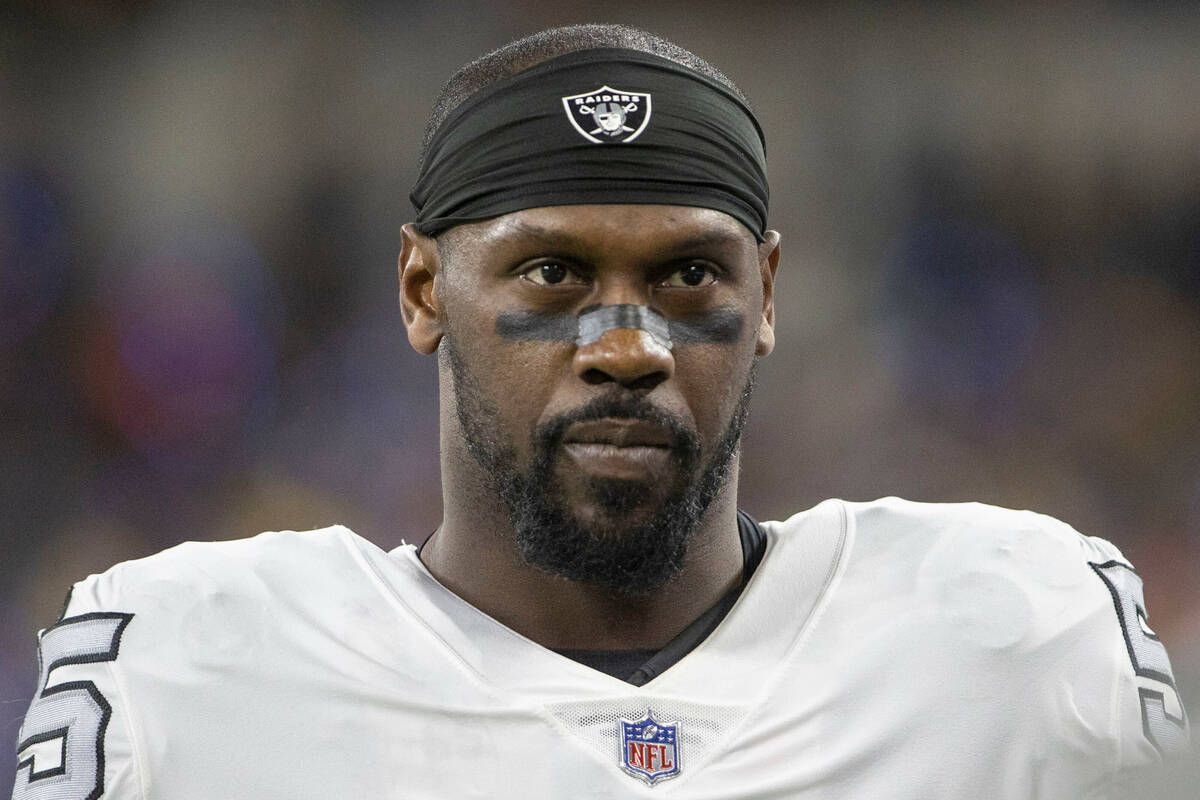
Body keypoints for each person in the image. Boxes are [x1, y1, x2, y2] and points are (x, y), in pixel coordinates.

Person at [11, 23, 1190, 800]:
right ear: (425, 289)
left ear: (766, 294)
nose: (624, 345)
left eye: (687, 276)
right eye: (552, 274)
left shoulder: (1018, 636)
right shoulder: (186, 664)